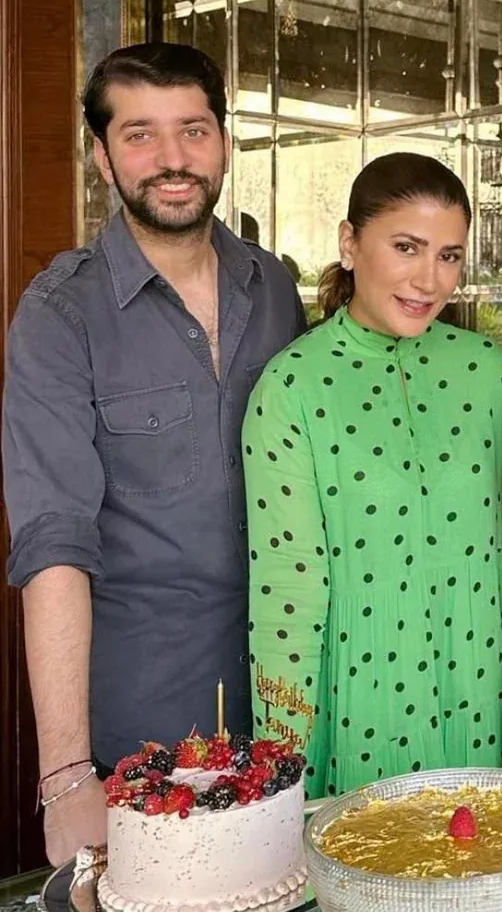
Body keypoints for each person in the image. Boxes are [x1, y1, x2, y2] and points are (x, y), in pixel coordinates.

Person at [2, 43, 306, 865]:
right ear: (101, 156)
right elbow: (53, 543)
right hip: (143, 745)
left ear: (224, 142)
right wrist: (66, 777)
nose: (173, 158)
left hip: (290, 714)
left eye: (193, 130)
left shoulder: (274, 288)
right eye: (140, 134)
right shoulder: (60, 315)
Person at [244, 152, 502, 798]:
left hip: (484, 678)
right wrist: (283, 769)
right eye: (407, 247)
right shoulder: (292, 387)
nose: (429, 279)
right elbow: (288, 595)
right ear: (350, 243)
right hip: (362, 689)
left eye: (449, 256)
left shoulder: (489, 370)